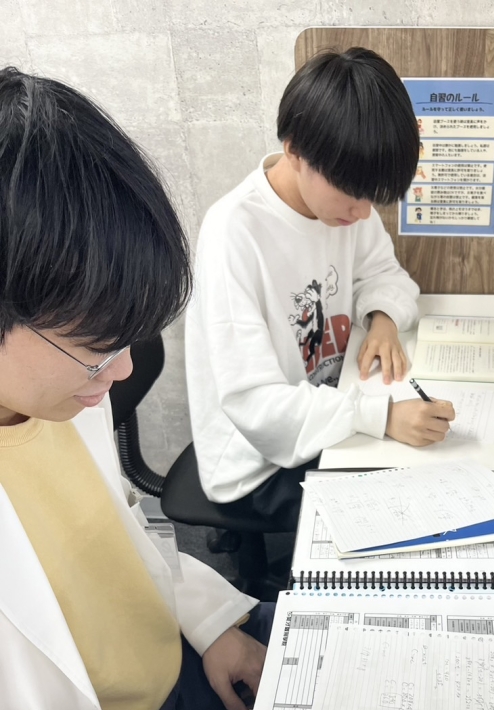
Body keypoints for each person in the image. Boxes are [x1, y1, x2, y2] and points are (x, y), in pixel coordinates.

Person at [0, 67, 277, 710]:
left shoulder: (52, 394)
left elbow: (119, 534)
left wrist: (214, 623)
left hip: (181, 680)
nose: (121, 372)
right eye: (96, 349)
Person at [185, 48, 455, 531]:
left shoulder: (344, 207)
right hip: (259, 464)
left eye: (372, 197)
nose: (363, 213)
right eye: (351, 194)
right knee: (408, 511)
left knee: (431, 475)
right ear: (294, 151)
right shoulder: (234, 232)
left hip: (334, 408)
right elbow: (256, 406)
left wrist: (384, 320)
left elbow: (385, 274)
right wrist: (382, 417)